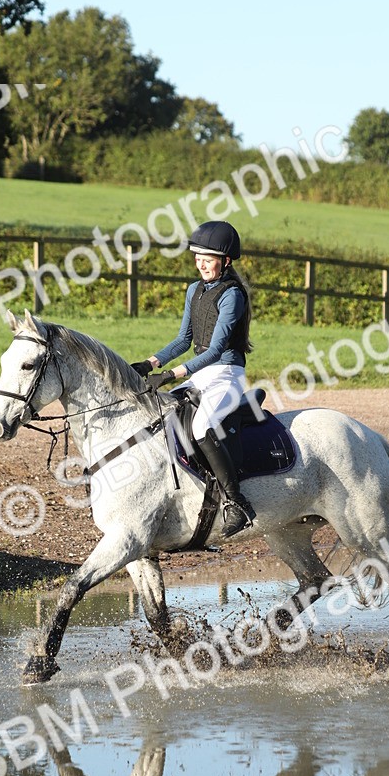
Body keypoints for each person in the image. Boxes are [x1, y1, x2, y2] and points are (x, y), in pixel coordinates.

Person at [130, 220, 256, 539]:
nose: (201, 263)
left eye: (208, 257)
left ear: (225, 261)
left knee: (201, 426)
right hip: (201, 374)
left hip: (227, 373)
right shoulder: (194, 290)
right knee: (165, 413)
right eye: (197, 256)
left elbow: (215, 350)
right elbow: (183, 340)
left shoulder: (233, 295)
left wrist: (172, 374)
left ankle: (237, 503)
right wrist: (150, 363)